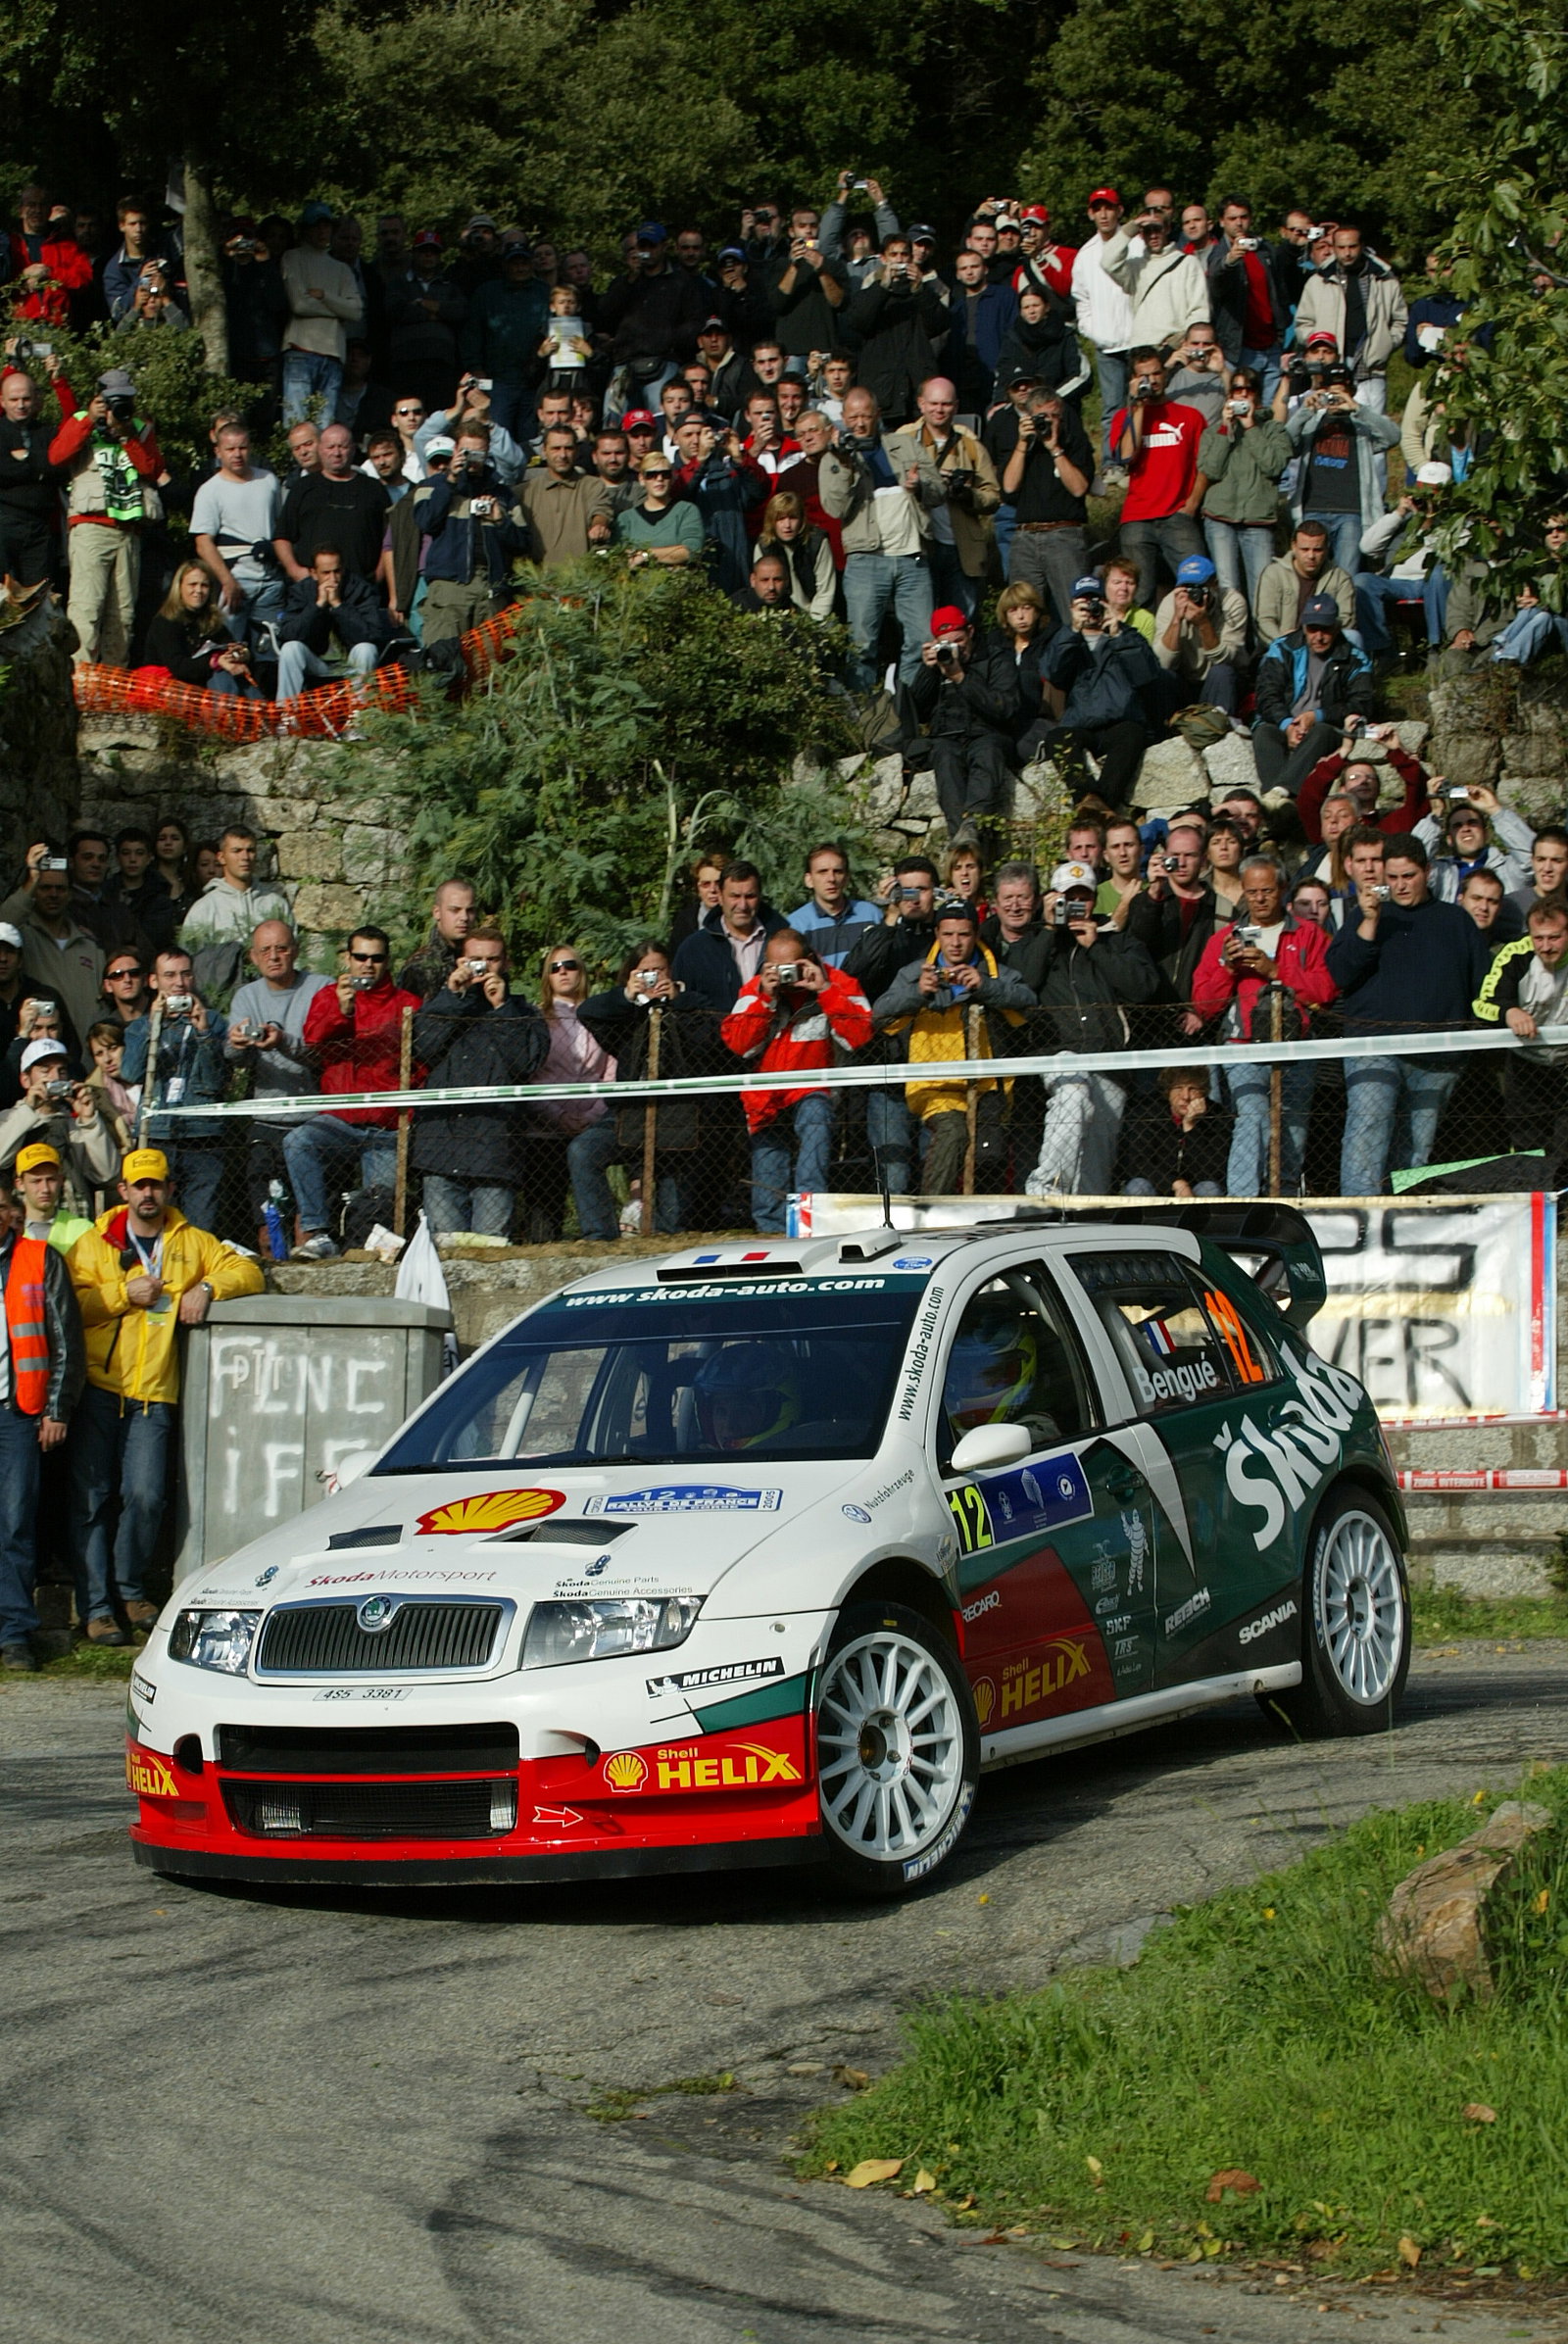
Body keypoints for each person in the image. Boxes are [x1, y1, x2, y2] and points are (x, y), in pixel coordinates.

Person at [68, 1148, 263, 1643]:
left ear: (169, 1189)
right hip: (98, 1389)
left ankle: (130, 1593)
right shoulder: (94, 1243)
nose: (148, 1193)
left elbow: (249, 1271)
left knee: (147, 1496)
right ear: (124, 1191)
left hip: (154, 1395)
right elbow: (70, 1304)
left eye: (156, 1184)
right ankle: (96, 1607)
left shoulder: (190, 1241)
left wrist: (209, 1289)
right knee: (91, 1501)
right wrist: (121, 1295)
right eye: (140, 1185)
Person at [1327, 834, 1491, 1194]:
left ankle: (1400, 1226)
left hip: (1437, 1056)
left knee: (1416, 1150)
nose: (1400, 886)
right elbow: (1338, 973)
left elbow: (1484, 984)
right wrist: (1369, 924)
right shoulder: (1364, 914)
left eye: (1409, 876)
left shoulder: (1456, 921)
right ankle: (1357, 1222)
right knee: (1367, 1134)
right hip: (1372, 1047)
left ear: (1428, 872)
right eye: (1393, 877)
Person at [1190, 855, 1337, 1195]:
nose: (1259, 898)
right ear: (1243, 891)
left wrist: (1275, 972)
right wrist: (1228, 968)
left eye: (1267, 890)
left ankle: (1283, 1200)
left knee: (1293, 1130)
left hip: (1296, 1044)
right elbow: (1203, 1003)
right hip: (1243, 1045)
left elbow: (1326, 990)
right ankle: (1242, 1197)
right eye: (1252, 891)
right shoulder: (1224, 938)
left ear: (1283, 889)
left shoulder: (1310, 935)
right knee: (1253, 1115)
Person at [1017, 860, 1161, 1196]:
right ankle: (1046, 1187)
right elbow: (1023, 986)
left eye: (1084, 897)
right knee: (1073, 1093)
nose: (1077, 905)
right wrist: (1051, 931)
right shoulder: (1035, 940)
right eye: (1069, 897)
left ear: (1096, 900)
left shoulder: (1116, 939)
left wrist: (1096, 947)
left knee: (1096, 1168)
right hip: (1059, 1053)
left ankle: (1082, 1217)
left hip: (1110, 1062)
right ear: (1052, 898)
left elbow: (1143, 988)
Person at [872, 901, 1034, 1195]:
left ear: (976, 934)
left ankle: (982, 1222)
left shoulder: (994, 972)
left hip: (988, 1086)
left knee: (989, 1156)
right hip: (934, 1084)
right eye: (948, 934)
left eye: (964, 934)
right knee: (953, 1133)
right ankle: (930, 1212)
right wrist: (918, 993)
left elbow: (1028, 1001)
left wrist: (986, 987)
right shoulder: (913, 973)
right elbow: (880, 1014)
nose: (956, 943)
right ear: (937, 933)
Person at [720, 931, 872, 1232]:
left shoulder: (838, 984)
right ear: (766, 966)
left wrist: (825, 990)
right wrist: (766, 998)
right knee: (767, 1178)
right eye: (776, 967)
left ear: (810, 960)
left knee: (815, 1118)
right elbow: (739, 1045)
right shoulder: (755, 989)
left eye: (792, 966)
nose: (785, 975)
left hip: (813, 1088)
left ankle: (810, 1223)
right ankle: (772, 1233)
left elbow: (860, 1037)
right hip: (765, 1098)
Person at [284, 931, 420, 1258]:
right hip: (340, 1120)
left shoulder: (408, 1003)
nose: (368, 965)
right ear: (347, 958)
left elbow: (421, 1063)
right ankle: (318, 1233)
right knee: (298, 1142)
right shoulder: (329, 996)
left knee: (380, 1203)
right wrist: (343, 1011)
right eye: (361, 957)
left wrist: (406, 1111)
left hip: (387, 1125)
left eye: (376, 958)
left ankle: (370, 1254)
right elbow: (313, 1040)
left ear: (387, 962)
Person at [411, 927, 549, 1237]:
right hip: (441, 1150)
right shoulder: (441, 1003)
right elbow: (420, 1047)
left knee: (492, 1251)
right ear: (461, 962)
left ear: (506, 964)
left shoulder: (523, 1012)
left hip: (495, 1153)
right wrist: (453, 995)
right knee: (443, 1255)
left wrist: (501, 1009)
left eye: (492, 959)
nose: (484, 967)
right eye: (475, 959)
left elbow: (525, 1062)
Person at [0, 1169, 84, 1670]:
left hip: (17, 1415)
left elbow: (66, 1340)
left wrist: (56, 1408)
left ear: (9, 1213)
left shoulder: (38, 1260)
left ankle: (13, 1634)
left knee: (13, 1525)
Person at [574, 945, 701, 1239]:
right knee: (583, 1150)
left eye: (660, 971)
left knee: (672, 1221)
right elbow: (587, 1012)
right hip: (628, 1114)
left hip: (676, 1117)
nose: (654, 978)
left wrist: (676, 1003)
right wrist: (627, 996)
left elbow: (707, 1037)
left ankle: (668, 1239)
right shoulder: (625, 1014)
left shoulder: (690, 1003)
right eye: (646, 972)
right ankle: (599, 1236)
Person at [224, 921, 333, 1252]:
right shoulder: (247, 996)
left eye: (281, 948)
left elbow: (328, 1053)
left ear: (296, 951)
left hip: (312, 1123)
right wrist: (238, 1044)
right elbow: (233, 1057)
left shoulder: (320, 988)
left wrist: (284, 1042)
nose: (274, 957)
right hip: (266, 1122)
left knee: (307, 1227)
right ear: (254, 957)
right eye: (265, 950)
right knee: (267, 1227)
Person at [819, 385, 936, 690]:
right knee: (861, 642)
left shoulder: (906, 446)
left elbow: (939, 491)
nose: (859, 423)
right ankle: (864, 712)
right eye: (853, 417)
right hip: (865, 560)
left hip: (913, 557)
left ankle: (910, 704)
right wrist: (845, 468)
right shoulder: (833, 458)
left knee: (922, 638)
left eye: (866, 416)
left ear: (877, 415)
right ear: (843, 418)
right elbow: (835, 507)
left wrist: (919, 486)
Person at [49, 367, 163, 665]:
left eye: (124, 400)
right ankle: (82, 684)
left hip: (128, 533)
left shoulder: (139, 427)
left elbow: (152, 470)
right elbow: (57, 456)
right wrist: (89, 420)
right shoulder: (80, 422)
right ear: (98, 398)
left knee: (123, 615)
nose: (118, 407)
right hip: (90, 529)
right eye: (112, 400)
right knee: (86, 610)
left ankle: (113, 688)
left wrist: (127, 437)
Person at [119, 947, 230, 1231]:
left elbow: (217, 1082)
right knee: (157, 1224)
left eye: (185, 974)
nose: (179, 983)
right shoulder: (138, 1027)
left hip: (202, 1136)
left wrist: (204, 1035)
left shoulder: (214, 1021)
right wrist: (152, 1026)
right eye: (169, 975)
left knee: (200, 1226)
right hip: (156, 1135)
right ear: (153, 982)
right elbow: (130, 1072)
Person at [1026, 575, 1160, 807]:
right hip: (1081, 723)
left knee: (1132, 734)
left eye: (1096, 601)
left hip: (1121, 721)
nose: (1091, 609)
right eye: (1083, 604)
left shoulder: (1128, 635)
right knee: (1057, 739)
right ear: (1072, 608)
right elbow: (1052, 673)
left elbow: (1147, 674)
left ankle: (1098, 805)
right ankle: (1087, 798)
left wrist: (1118, 635)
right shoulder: (1064, 638)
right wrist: (1072, 631)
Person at [906, 606, 1019, 848]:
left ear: (970, 632)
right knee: (944, 757)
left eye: (959, 641)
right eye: (946, 644)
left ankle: (972, 827)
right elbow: (916, 712)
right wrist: (927, 671)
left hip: (989, 734)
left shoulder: (997, 659)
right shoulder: (936, 667)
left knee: (987, 753)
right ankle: (964, 843)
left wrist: (960, 677)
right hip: (946, 738)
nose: (955, 649)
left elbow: (1004, 708)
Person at [1474, 897, 1568, 1180]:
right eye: (1539, 938)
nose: (1546, 946)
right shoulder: (1515, 954)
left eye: (1555, 937)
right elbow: (1483, 1002)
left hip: (1565, 1062)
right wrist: (1509, 1011)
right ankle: (1534, 1204)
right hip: (1526, 1063)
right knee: (1528, 1143)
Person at [1109, 350, 1206, 606]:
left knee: (1199, 584)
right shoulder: (1123, 418)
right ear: (1132, 379)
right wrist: (1137, 407)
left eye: (1155, 373)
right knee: (1138, 595)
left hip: (1178, 515)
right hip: (1137, 517)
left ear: (1164, 375)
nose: (1150, 381)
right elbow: (1128, 456)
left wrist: (1192, 505)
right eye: (1143, 376)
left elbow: (1205, 465)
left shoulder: (1190, 417)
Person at [1251, 595, 1375, 797]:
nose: (1318, 636)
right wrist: (1287, 724)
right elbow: (1266, 694)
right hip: (1282, 722)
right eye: (1312, 629)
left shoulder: (1354, 658)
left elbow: (1362, 703)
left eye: (1325, 629)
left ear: (1336, 627)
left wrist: (1317, 715)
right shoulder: (1282, 648)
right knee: (1264, 733)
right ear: (1303, 626)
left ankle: (1281, 794)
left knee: (1321, 732)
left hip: (1326, 726)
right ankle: (1276, 799)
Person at [1284, 366, 1402, 577]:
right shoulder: (1312, 421)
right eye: (1331, 393)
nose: (1335, 400)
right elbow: (1286, 444)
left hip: (1351, 513)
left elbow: (1393, 436)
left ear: (1351, 392)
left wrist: (1357, 408)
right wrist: (1304, 411)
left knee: (1346, 577)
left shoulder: (1361, 425)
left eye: (1341, 393)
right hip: (1313, 508)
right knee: (1309, 573)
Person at [417, 422, 530, 638]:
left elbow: (523, 543)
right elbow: (426, 522)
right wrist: (450, 481)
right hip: (449, 586)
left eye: (479, 453)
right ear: (456, 451)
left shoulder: (502, 494)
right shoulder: (431, 486)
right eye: (467, 452)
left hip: (491, 587)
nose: (473, 460)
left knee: (489, 664)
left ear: (488, 452)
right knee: (445, 661)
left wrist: (500, 521)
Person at [1197, 368, 1291, 608]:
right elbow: (1211, 470)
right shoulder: (1214, 431)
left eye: (1248, 390)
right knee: (1228, 591)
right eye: (1237, 390)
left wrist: (1251, 428)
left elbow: (1274, 466)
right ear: (1229, 395)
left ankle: (1263, 645)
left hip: (1258, 521)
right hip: (1220, 518)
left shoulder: (1273, 430)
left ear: (1257, 395)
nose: (1243, 395)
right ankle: (1233, 644)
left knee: (1263, 592)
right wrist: (1225, 428)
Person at [1000, 390, 1095, 626]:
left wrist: (1055, 449)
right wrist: (1022, 443)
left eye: (1054, 416)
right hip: (1024, 536)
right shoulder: (1022, 447)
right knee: (1022, 616)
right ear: (1028, 418)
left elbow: (1079, 488)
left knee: (1074, 611)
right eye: (1041, 417)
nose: (1048, 422)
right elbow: (1009, 487)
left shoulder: (1074, 442)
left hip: (1064, 534)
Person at [1294, 224, 1408, 414]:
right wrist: (1319, 347)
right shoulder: (1318, 281)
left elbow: (1400, 320)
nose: (1347, 253)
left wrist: (1386, 343)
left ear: (1362, 246)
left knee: (1372, 430)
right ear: (1334, 247)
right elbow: (1303, 322)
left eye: (1352, 247)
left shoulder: (1384, 280)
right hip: (1329, 370)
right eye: (1341, 247)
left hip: (1370, 368)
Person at [0, 1040, 119, 1214]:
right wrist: (29, 1110)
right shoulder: (10, 1118)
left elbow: (107, 1174)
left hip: (72, 1222)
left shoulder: (76, 1123)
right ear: (25, 1080)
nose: (55, 1078)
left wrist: (89, 1121)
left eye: (61, 1071)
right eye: (45, 1070)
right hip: (23, 1224)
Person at [280, 200, 365, 425]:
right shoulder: (292, 257)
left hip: (334, 354)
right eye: (316, 225)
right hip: (300, 350)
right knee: (296, 422)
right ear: (305, 228)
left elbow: (356, 311)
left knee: (325, 426)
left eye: (326, 225)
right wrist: (338, 310)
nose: (322, 230)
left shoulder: (341, 269)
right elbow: (299, 305)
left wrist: (325, 296)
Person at [275, 544, 395, 702]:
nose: (333, 579)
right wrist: (317, 606)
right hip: (316, 661)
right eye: (326, 573)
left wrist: (339, 606)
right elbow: (288, 633)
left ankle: (360, 718)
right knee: (290, 649)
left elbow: (372, 634)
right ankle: (287, 715)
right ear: (314, 573)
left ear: (343, 569)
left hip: (351, 661)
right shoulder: (301, 591)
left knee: (367, 649)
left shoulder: (360, 589)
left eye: (337, 571)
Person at [274, 422, 390, 583]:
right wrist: (295, 570)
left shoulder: (373, 488)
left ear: (353, 449)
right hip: (312, 587)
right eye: (330, 447)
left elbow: (389, 538)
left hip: (362, 587)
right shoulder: (302, 487)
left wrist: (379, 574)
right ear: (321, 449)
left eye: (342, 447)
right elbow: (282, 536)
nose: (336, 453)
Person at [6, 857, 104, 1047]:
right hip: (40, 1050)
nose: (53, 894)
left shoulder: (89, 946)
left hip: (87, 1053)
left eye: (60, 889)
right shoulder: (23, 936)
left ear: (69, 894)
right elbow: (3, 926)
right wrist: (31, 880)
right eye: (45, 888)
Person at [1072, 187, 1136, 468]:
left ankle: (1140, 461)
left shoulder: (1138, 245)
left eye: (1109, 208)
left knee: (1142, 403)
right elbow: (1081, 300)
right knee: (1113, 408)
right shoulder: (1085, 255)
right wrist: (1093, 331)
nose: (1104, 214)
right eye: (1098, 209)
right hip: (1106, 345)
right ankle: (1113, 463)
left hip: (1139, 341)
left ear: (1119, 210)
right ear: (1090, 214)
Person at [671, 860, 786, 1013]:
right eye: (735, 896)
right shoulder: (693, 949)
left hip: (774, 1034)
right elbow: (679, 1005)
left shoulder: (784, 942)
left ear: (759, 896)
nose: (742, 905)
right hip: (715, 1036)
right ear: (720, 895)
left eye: (750, 896)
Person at [0, 357, 74, 588]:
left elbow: (60, 466)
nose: (20, 405)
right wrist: (41, 468)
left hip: (40, 528)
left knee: (38, 596)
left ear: (37, 400)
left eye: (26, 399)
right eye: (14, 399)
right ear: (2, 401)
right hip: (5, 521)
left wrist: (27, 459)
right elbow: (3, 471)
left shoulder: (47, 433)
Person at [142, 562, 260, 698]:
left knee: (234, 670)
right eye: (192, 584)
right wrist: (215, 661)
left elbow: (228, 644)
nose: (198, 590)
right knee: (219, 672)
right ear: (179, 587)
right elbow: (179, 667)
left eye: (204, 585)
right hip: (167, 687)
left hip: (198, 686)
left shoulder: (211, 619)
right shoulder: (166, 622)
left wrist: (240, 653)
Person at [1152, 553, 1250, 714]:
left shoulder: (1232, 602)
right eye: (1187, 587)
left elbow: (1224, 659)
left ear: (1214, 585)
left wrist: (1203, 623)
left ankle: (1220, 731)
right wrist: (1176, 620)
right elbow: (1162, 663)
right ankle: (1165, 734)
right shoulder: (1171, 602)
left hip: (1224, 680)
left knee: (1221, 673)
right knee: (1163, 677)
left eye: (1199, 587)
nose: (1192, 594)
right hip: (1187, 681)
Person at [178, 827, 292, 957]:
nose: (244, 857)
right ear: (221, 857)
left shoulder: (276, 904)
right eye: (236, 851)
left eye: (250, 850)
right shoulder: (204, 909)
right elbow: (189, 958)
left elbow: (293, 953)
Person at [1123, 1067, 1231, 1199]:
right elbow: (1139, 1163)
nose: (1185, 1096)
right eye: (1178, 1088)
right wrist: (1176, 1183)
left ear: (1203, 1093)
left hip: (1195, 1184)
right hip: (1158, 1182)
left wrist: (1190, 1127)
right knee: (1137, 1187)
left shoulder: (1217, 1116)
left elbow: (1212, 1170)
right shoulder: (1147, 1112)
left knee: (1210, 1188)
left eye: (1193, 1089)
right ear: (1168, 1092)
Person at [519, 424, 612, 566]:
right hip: (539, 583)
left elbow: (601, 510)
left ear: (577, 451)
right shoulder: (525, 491)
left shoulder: (592, 485)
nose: (562, 455)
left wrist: (598, 525)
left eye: (568, 448)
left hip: (582, 580)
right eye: (556, 448)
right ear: (544, 451)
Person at [1254, 519, 1354, 648]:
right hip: (1281, 647)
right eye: (1305, 549)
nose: (1311, 556)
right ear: (1294, 546)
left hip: (1323, 646)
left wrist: (1315, 637)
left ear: (1326, 549)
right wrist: (1284, 641)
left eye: (1317, 550)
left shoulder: (1340, 578)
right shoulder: (1273, 574)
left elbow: (1346, 620)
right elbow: (1263, 620)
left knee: (1353, 636)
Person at [785, 844, 882, 968]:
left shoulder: (870, 914)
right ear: (809, 880)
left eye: (838, 871)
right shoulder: (797, 924)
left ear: (846, 878)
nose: (831, 878)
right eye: (822, 872)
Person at [617, 450, 705, 570]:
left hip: (678, 585)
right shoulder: (626, 519)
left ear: (672, 477)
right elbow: (620, 559)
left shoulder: (686, 511)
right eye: (651, 475)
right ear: (642, 479)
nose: (659, 479)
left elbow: (691, 551)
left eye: (665, 474)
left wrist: (645, 555)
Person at [754, 490, 835, 614]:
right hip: (779, 614)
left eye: (792, 518)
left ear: (802, 519)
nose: (787, 525)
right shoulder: (764, 545)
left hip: (814, 613)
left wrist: (817, 625)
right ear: (772, 522)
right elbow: (761, 589)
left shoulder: (817, 542)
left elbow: (825, 591)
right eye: (781, 519)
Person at [398, 880, 478, 999]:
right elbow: (411, 1013)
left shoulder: (482, 958)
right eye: (455, 910)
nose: (464, 917)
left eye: (470, 910)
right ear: (437, 912)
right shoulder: (420, 966)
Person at [1505, 826, 1568, 929]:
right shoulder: (1509, 907)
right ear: (1533, 861)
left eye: (1557, 861)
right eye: (1541, 859)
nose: (1547, 868)